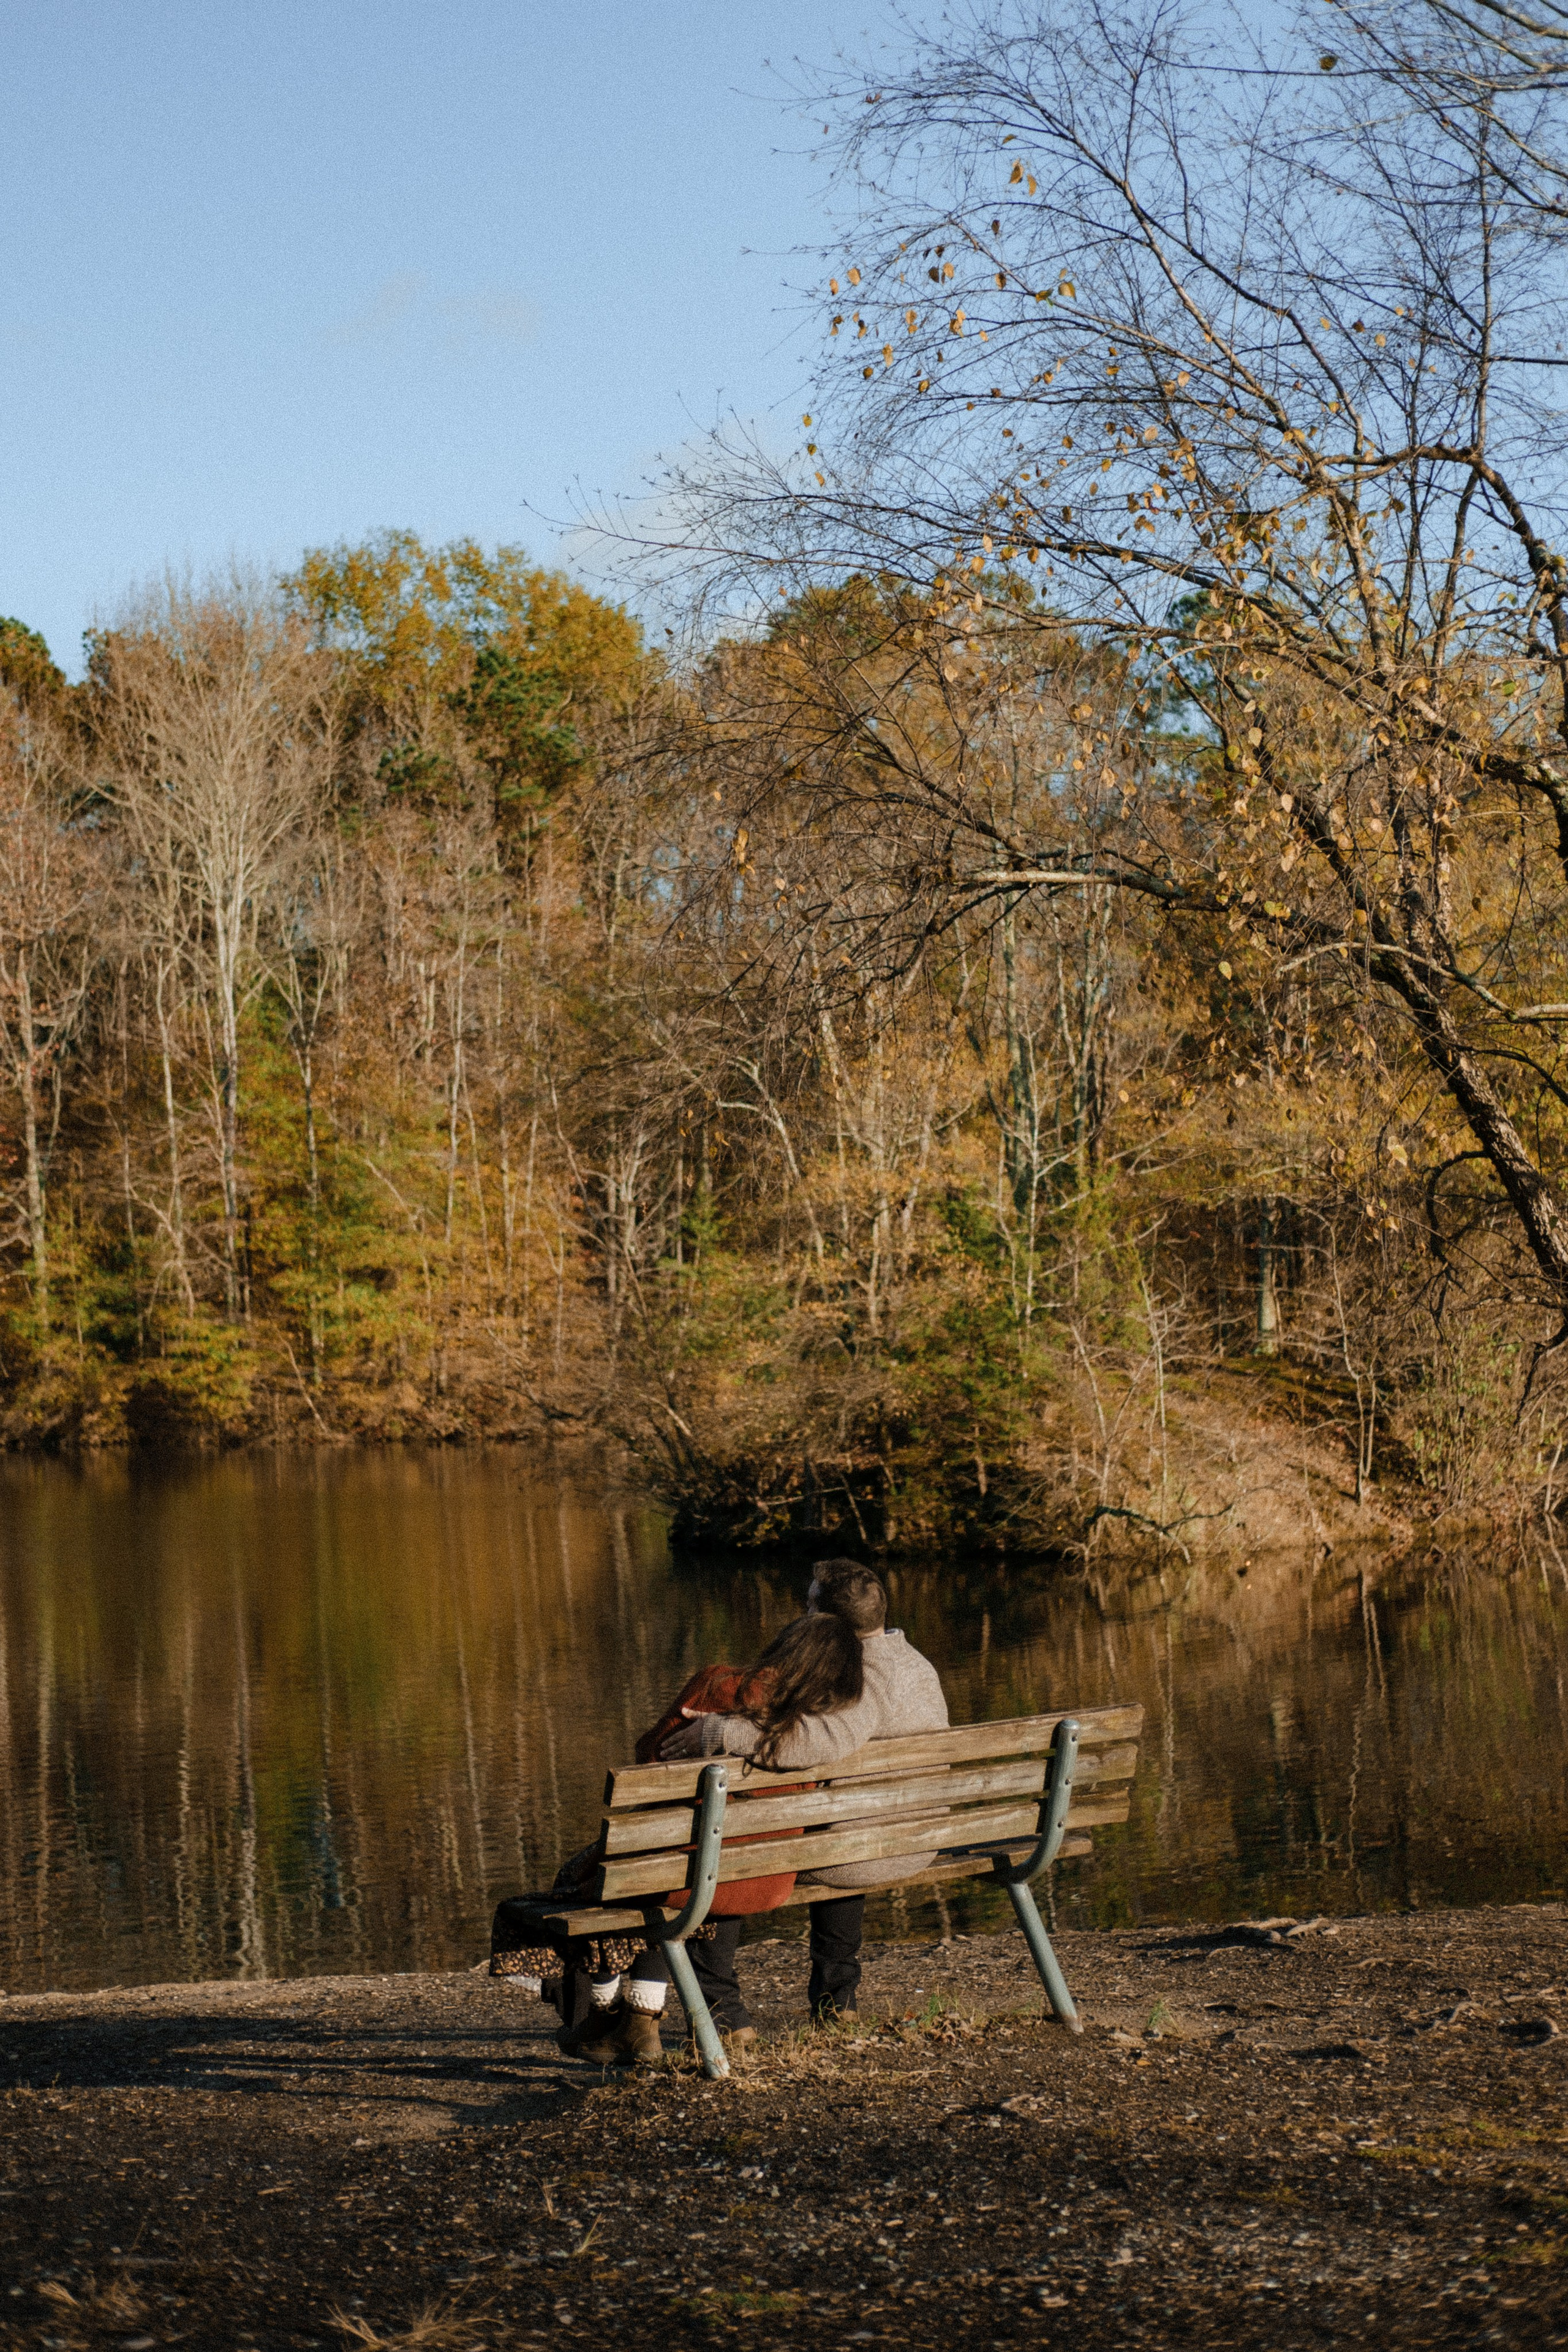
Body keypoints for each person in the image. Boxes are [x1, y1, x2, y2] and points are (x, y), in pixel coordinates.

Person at [492, 1610, 865, 2067]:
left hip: (686, 1874)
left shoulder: (722, 1687)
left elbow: (650, 1755)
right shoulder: (826, 1723)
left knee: (591, 1876)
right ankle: (634, 2021)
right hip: (764, 1878)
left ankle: (607, 2011)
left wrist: (705, 1727)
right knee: (653, 1871)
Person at [659, 1558, 949, 2029]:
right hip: (915, 1836)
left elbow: (821, 1739)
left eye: (808, 1603)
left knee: (726, 1852)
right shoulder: (913, 1662)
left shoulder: (860, 1677)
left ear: (824, 1620)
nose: (800, 1610)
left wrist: (720, 1732)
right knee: (830, 1826)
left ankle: (726, 2018)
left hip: (865, 1849)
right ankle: (838, 2003)